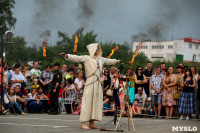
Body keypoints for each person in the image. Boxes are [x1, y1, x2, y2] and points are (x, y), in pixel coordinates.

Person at [60, 43, 121, 130]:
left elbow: (108, 61)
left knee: (95, 102)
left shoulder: (100, 59)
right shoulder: (87, 58)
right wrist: (66, 55)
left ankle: (92, 123)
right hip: (90, 82)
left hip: (97, 83)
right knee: (87, 102)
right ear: (92, 49)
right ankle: (83, 123)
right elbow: (76, 58)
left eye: (97, 49)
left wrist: (116, 61)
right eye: (95, 48)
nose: (96, 50)